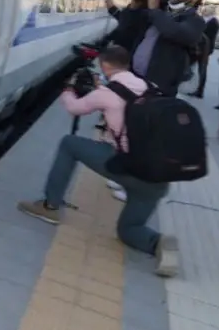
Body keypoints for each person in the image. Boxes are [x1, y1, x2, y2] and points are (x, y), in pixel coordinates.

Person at [17, 45, 179, 277]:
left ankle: (49, 206)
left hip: (129, 168)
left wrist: (68, 89)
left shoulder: (106, 93)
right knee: (129, 230)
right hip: (159, 178)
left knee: (69, 144)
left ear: (104, 65)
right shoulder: (150, 86)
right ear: (128, 64)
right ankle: (158, 243)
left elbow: (75, 108)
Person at [131, 0, 206, 97]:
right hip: (135, 77)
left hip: (158, 87)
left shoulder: (195, 20)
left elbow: (174, 32)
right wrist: (139, 0)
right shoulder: (163, 13)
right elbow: (128, 24)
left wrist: (154, 10)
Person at [187, 6, 219, 99]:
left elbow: (206, 36)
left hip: (205, 49)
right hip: (199, 48)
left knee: (202, 70)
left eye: (206, 10)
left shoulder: (213, 22)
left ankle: (199, 91)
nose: (204, 11)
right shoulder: (206, 20)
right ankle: (196, 88)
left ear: (210, 11)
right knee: (194, 68)